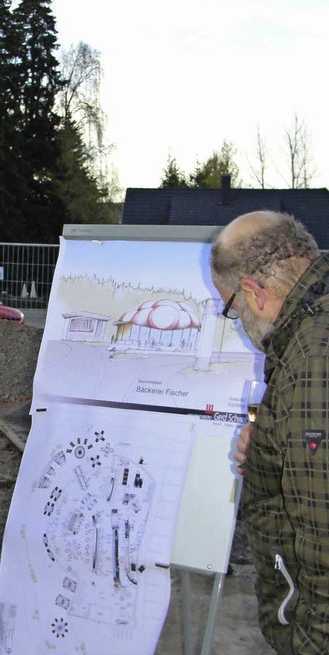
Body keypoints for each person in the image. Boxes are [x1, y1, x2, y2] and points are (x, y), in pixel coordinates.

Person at [210, 209, 329, 654]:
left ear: (252, 292)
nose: (239, 320)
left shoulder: (313, 360)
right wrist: (273, 450)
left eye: (232, 309)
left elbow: (323, 555)